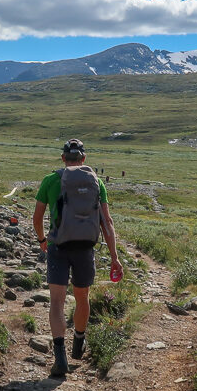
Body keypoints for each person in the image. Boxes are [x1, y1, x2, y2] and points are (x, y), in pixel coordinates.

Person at [32, 138, 121, 376]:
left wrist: (42, 240)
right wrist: (115, 256)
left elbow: (37, 217)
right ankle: (78, 344)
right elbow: (107, 222)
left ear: (63, 158)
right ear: (83, 159)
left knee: (57, 301)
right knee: (82, 298)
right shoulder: (96, 182)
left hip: (58, 248)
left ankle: (60, 357)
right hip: (85, 248)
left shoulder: (51, 180)